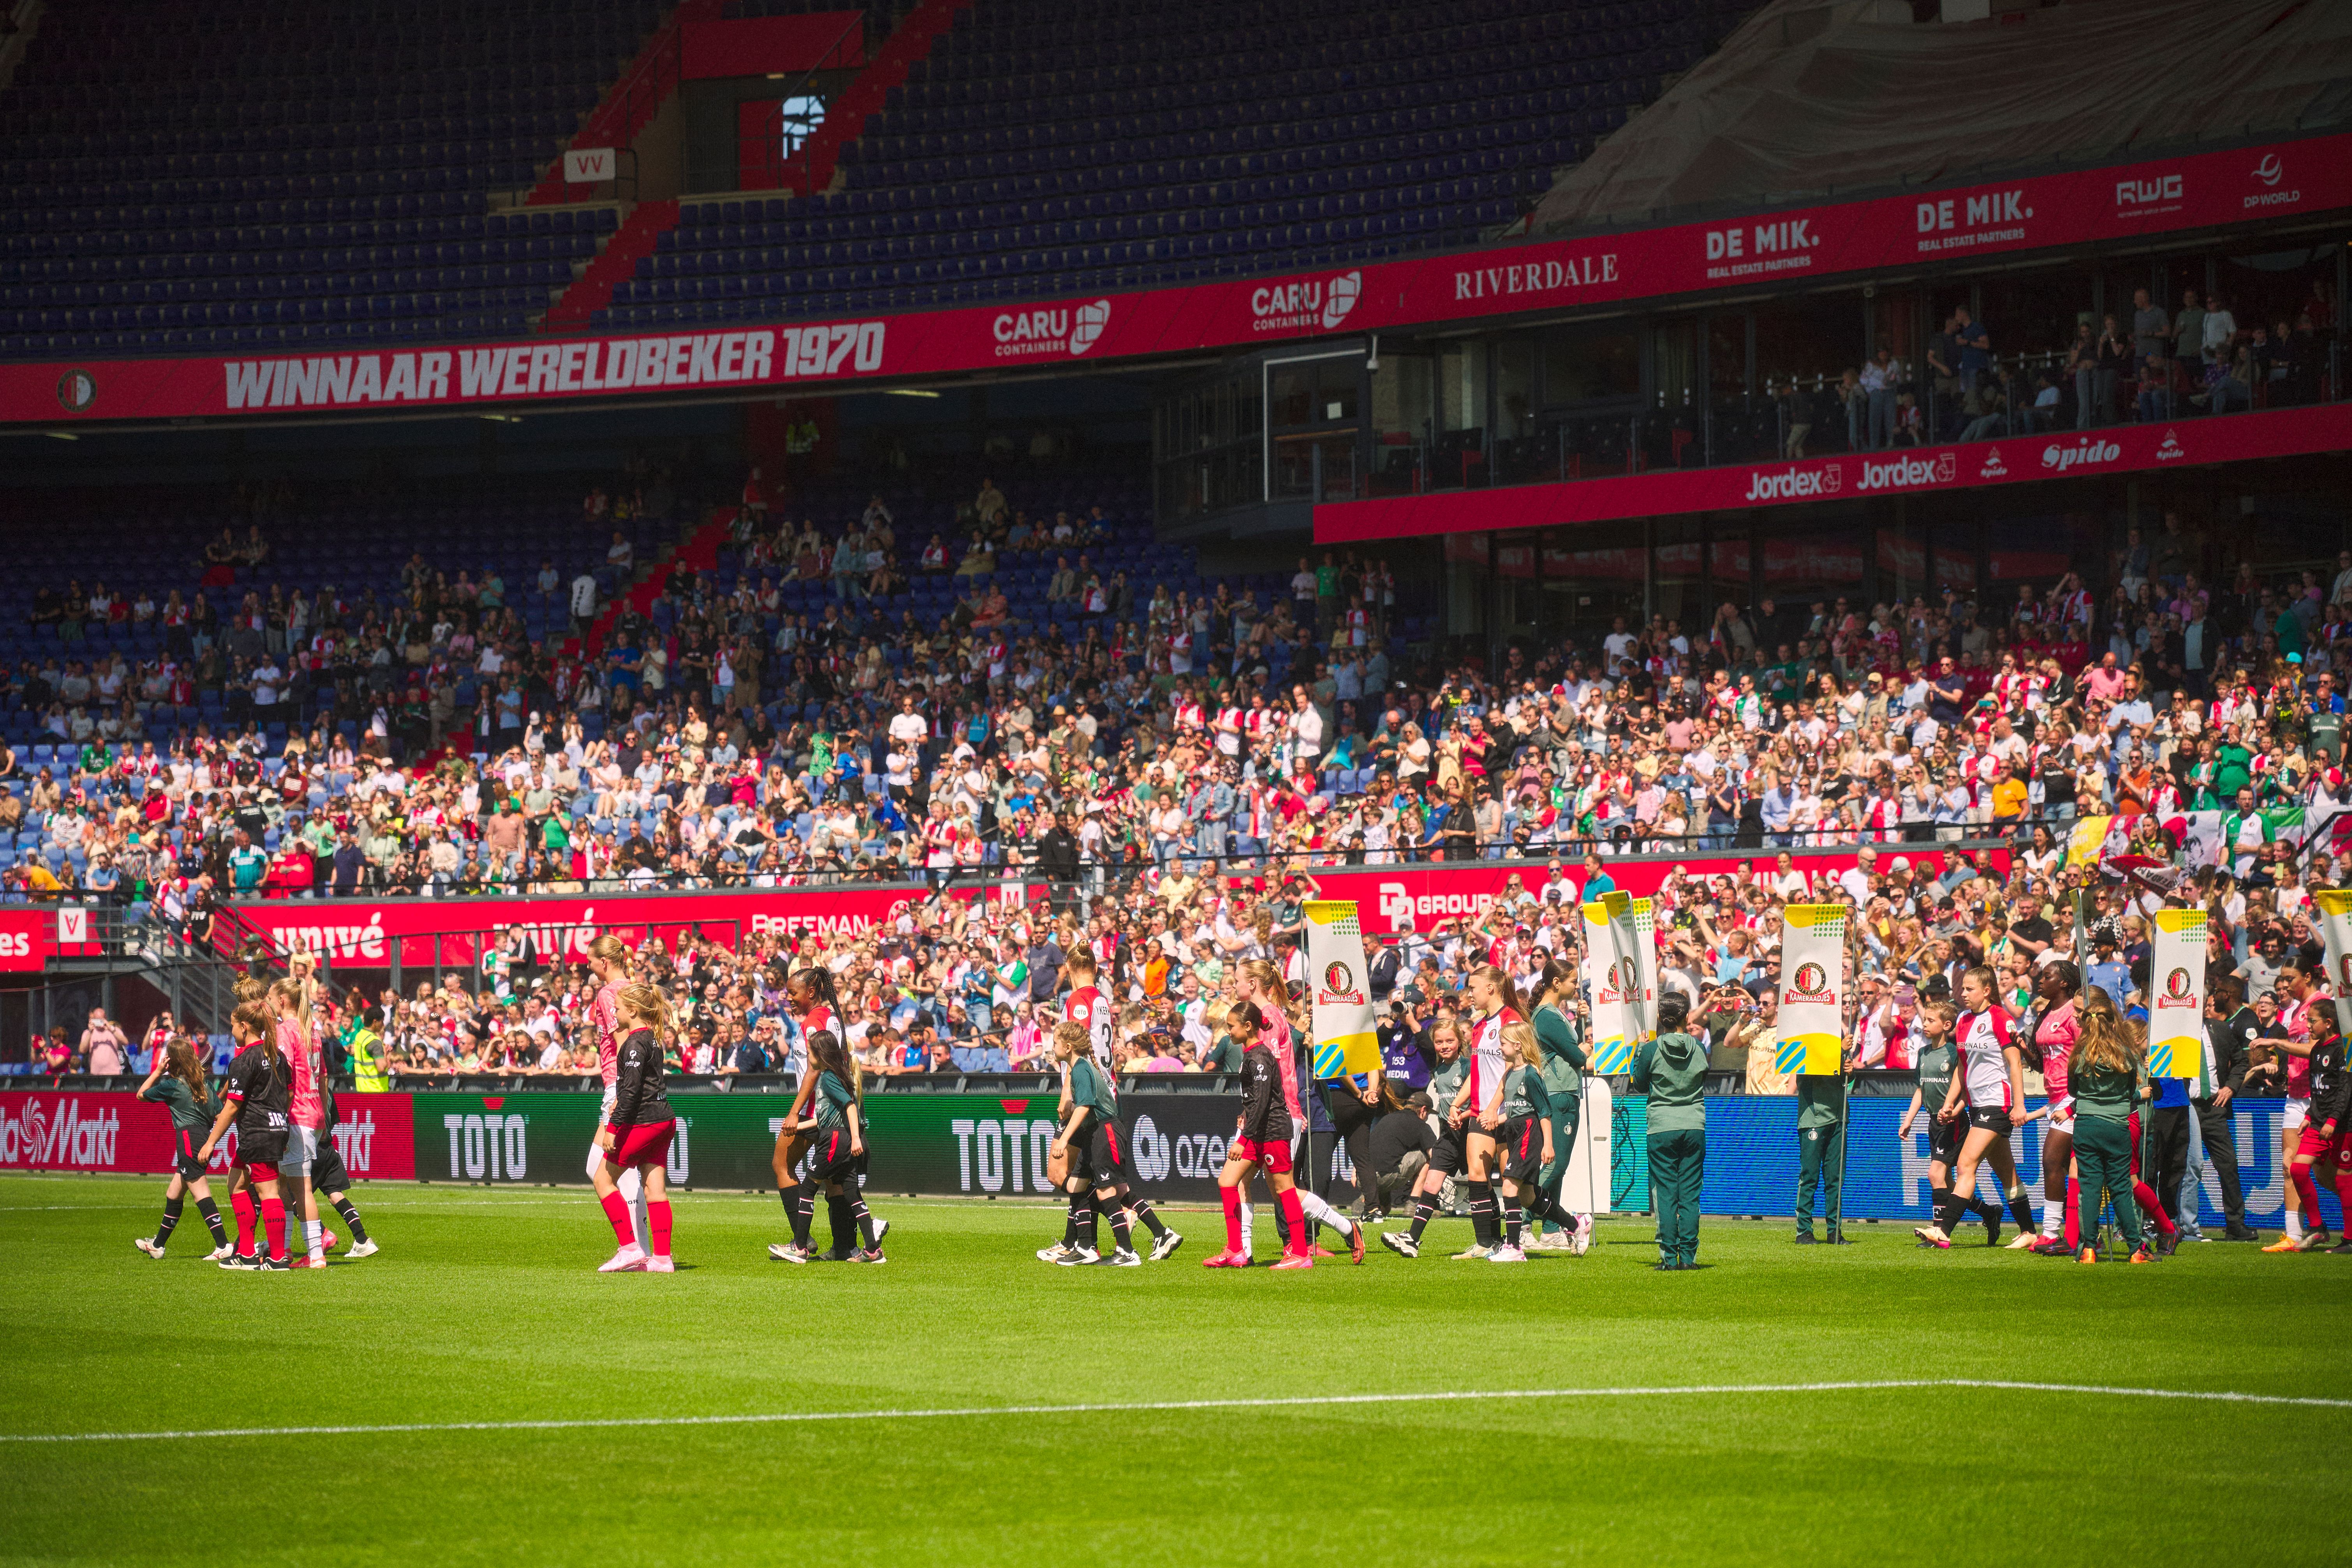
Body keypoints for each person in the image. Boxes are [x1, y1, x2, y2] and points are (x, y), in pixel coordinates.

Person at [1915, 965, 2040, 1248]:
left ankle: (1943, 1231)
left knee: (1965, 1164)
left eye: (1969, 989)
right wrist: (1950, 1103)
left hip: (1997, 1104)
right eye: (1963, 989)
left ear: (1986, 990)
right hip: (1976, 1105)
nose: (1964, 993)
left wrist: (2019, 1105)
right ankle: (2029, 1231)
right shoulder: (1963, 1019)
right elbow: (1963, 1065)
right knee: (2006, 1172)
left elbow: (2014, 1063)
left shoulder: (2000, 1017)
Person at [1203, 999, 1313, 1269]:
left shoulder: (1261, 1056)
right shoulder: (1250, 1054)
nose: (1229, 1031)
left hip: (1273, 1129)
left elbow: (1263, 1101)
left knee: (1284, 1189)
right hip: (1258, 1130)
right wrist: (1245, 1113)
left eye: (1232, 1027)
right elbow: (1254, 1099)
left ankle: (1301, 1253)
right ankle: (1236, 1250)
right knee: (1227, 1181)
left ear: (1248, 1026)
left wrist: (1243, 1138)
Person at [196, 1001, 293, 1271]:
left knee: (269, 1193)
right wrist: (279, 1121)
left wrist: (211, 1141)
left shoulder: (244, 1060)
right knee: (236, 1184)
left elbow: (232, 1106)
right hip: (275, 1128)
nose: (231, 1031)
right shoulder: (277, 1056)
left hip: (256, 1132)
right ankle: (248, 1254)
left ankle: (277, 1258)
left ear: (244, 1026)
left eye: (232, 1025)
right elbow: (290, 1094)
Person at [591, 982, 679, 1273]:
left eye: (617, 1008)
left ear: (633, 1010)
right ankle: (662, 1259)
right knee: (655, 1189)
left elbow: (630, 1092)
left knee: (603, 1179)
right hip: (664, 1119)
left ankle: (629, 1249)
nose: (614, 1012)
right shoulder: (653, 1039)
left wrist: (613, 1128)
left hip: (645, 1121)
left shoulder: (635, 1043)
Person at [1899, 997, 2001, 1244]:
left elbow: (1965, 1089)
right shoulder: (1923, 1053)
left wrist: (1956, 1110)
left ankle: (1937, 1233)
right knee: (1949, 1183)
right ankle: (1989, 1213)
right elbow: (1921, 1090)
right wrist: (1910, 1119)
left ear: (1947, 1026)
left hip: (1952, 1121)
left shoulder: (1954, 1052)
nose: (1925, 1024)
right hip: (1933, 1121)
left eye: (1931, 1020)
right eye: (1925, 1019)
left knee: (1935, 1174)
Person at [2066, 987, 2155, 1264]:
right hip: (2117, 1126)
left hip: (2086, 1125)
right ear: (2113, 1023)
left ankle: (2089, 1248)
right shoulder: (2126, 1056)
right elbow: (2130, 1095)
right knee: (2120, 1188)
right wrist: (2137, 1096)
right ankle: (2136, 1248)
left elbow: (2073, 1091)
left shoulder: (2079, 1056)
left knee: (2090, 1187)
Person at [1447, 964, 1525, 1261]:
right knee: (1478, 1175)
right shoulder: (1479, 1025)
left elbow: (1511, 1069)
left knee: (1513, 1183)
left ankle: (1565, 1225)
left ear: (1491, 988)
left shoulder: (1512, 1019)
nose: (1470, 993)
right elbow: (1478, 1073)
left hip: (1508, 1113)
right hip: (1481, 1113)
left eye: (1473, 987)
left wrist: (1495, 1107)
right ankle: (1485, 1242)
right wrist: (1457, 1103)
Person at [132, 1035, 234, 1261]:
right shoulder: (204, 1084)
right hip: (201, 1138)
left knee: (201, 1194)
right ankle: (158, 1246)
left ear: (172, 1061)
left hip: (188, 1139)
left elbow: (140, 1095)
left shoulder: (172, 1085)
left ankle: (223, 1244)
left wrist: (158, 1071)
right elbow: (220, 1115)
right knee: (174, 1194)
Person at [1489, 1019, 1582, 1262]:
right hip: (1515, 1133)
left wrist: (1549, 1144)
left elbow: (1543, 1112)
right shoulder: (1510, 1074)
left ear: (1518, 1046)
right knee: (1527, 1197)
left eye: (1504, 1044)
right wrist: (1495, 1120)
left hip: (1529, 1133)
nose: (1500, 1048)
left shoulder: (1531, 1075)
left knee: (1509, 1187)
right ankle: (1574, 1224)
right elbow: (1514, 1110)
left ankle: (1514, 1248)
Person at [768, 965, 843, 1264]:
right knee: (837, 1180)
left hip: (815, 1111)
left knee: (782, 1164)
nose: (789, 999)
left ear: (811, 992)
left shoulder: (814, 1021)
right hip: (834, 1109)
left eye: (794, 993)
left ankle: (802, 1239)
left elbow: (815, 1068)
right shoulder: (832, 1017)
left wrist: (794, 1112)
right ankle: (844, 1244)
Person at [582, 934, 649, 1255]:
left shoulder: (610, 993)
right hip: (630, 1083)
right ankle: (642, 1248)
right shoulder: (637, 988)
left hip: (619, 1084)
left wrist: (624, 1091)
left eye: (591, 960)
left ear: (604, 962)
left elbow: (625, 1043)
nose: (588, 965)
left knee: (602, 1166)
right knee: (627, 1170)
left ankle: (633, 1247)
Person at [1630, 992, 1706, 1271]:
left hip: (1662, 1125)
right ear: (1687, 1017)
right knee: (1690, 1192)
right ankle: (1688, 1257)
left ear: (1661, 1019)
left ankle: (1668, 1256)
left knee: (1665, 1192)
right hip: (1694, 1124)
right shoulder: (1698, 1047)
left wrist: (1640, 1049)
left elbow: (1638, 1084)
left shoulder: (1652, 1050)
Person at [1380, 1016, 1468, 1258]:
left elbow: (1481, 1100)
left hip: (1471, 1135)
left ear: (1460, 1041)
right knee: (1431, 1184)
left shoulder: (1469, 1067)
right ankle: (1413, 1239)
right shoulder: (1437, 1071)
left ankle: (1494, 1240)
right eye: (1439, 1042)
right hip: (1448, 1138)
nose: (1444, 1046)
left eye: (1450, 1040)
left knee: (1484, 1189)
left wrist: (1464, 1114)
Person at [799, 1029, 887, 1263]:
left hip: (838, 1139)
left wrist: (855, 1139)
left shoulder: (828, 1077)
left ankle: (799, 1247)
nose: (807, 1057)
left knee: (809, 1188)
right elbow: (828, 1114)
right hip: (849, 1136)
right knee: (851, 1192)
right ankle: (871, 1249)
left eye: (809, 1052)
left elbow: (849, 1108)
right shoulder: (845, 1076)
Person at [1529, 960, 1592, 1254]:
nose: (1576, 986)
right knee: (1556, 1164)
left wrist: (1577, 1022)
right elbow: (1576, 1055)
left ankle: (1552, 1229)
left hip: (1561, 1091)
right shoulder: (1548, 1016)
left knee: (1558, 1166)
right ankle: (1523, 1221)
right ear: (1556, 983)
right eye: (1573, 981)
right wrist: (1587, 1050)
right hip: (1560, 1093)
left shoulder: (1553, 1014)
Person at [2022, 961, 2081, 1254]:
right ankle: (2066, 1235)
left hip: (2074, 1096)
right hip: (2055, 1097)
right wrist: (2023, 1048)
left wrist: (2078, 1101)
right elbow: (2041, 1063)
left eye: (2048, 976)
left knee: (2052, 1160)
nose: (2041, 980)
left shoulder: (2075, 1012)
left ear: (2065, 983)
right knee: (2065, 1166)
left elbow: (2090, 1053)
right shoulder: (2047, 1015)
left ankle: (2051, 1232)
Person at [2281, 1012, 2349, 1255]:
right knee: (2297, 1170)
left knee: (2343, 1180)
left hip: (2342, 1124)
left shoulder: (2344, 1048)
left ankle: (2349, 1240)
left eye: (2312, 1021)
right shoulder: (2318, 1049)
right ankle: (2318, 1228)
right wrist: (2310, 1116)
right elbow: (2318, 1091)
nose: (2307, 1025)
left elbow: (2345, 1090)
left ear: (2328, 1023)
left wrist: (2333, 1120)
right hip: (2318, 1123)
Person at [1793, 1001, 1855, 1247]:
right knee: (1810, 1176)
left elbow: (1844, 1077)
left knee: (1835, 1178)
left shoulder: (1837, 1037)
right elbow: (1809, 1071)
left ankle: (1834, 1231)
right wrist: (1839, 1052)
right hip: (1814, 1117)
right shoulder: (1804, 1041)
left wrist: (1850, 1068)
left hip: (1839, 1116)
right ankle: (1804, 1231)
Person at [1365, 1086, 1436, 1218]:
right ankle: (1414, 1206)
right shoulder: (1422, 1126)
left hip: (1364, 1178)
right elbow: (1435, 1157)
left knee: (1385, 1210)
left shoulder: (1388, 1118)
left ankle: (1369, 1201)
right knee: (1429, 1158)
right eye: (1428, 1114)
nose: (1427, 1118)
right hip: (1387, 1177)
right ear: (1423, 1110)